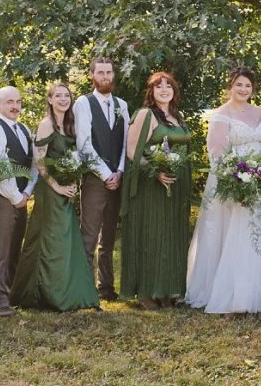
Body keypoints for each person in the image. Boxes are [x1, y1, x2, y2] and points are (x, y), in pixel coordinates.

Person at [186, 67, 261, 314]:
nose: (244, 90)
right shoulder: (220, 115)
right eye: (239, 85)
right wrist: (236, 182)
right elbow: (216, 156)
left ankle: (260, 290)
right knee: (231, 233)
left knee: (258, 232)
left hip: (259, 181)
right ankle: (229, 292)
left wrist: (260, 176)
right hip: (232, 182)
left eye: (248, 86)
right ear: (230, 86)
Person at [10, 83, 100, 312]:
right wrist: (57, 187)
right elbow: (39, 162)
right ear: (49, 100)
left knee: (68, 239)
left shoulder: (71, 125)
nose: (63, 99)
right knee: (52, 239)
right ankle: (46, 294)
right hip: (50, 190)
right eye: (57, 96)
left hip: (67, 187)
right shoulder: (46, 124)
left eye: (66, 95)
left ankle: (72, 292)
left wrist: (73, 179)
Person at [120, 71, 193, 308]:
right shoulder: (145, 115)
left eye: (168, 86)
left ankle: (168, 290)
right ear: (151, 92)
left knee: (171, 236)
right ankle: (146, 291)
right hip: (151, 185)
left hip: (177, 185)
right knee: (152, 235)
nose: (164, 90)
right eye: (158, 86)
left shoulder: (177, 117)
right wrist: (156, 171)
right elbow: (132, 151)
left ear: (174, 91)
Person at [73, 57, 129, 302]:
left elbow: (126, 142)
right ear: (92, 76)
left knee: (108, 236)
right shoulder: (83, 103)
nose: (106, 77)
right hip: (96, 178)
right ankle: (85, 290)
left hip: (118, 177)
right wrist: (106, 174)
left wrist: (119, 171)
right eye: (101, 73)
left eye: (109, 72)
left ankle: (105, 287)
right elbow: (84, 143)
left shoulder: (122, 105)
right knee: (89, 234)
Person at [0, 86, 38, 316]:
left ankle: (13, 293)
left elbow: (33, 163)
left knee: (15, 246)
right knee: (0, 249)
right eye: (9, 102)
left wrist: (28, 193)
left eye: (18, 101)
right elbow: (1, 166)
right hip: (4, 199)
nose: (15, 106)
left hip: (22, 197)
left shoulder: (24, 128)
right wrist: (16, 197)